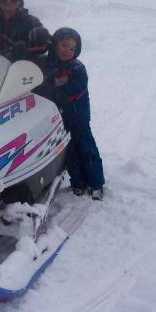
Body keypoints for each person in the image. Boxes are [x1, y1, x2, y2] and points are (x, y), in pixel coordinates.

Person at [45, 27, 105, 200]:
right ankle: (78, 182)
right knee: (69, 151)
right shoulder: (49, 66)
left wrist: (58, 91)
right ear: (55, 45)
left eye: (72, 48)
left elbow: (77, 88)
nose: (67, 51)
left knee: (86, 147)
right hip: (62, 119)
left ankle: (96, 183)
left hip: (79, 116)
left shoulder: (77, 67)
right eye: (64, 45)